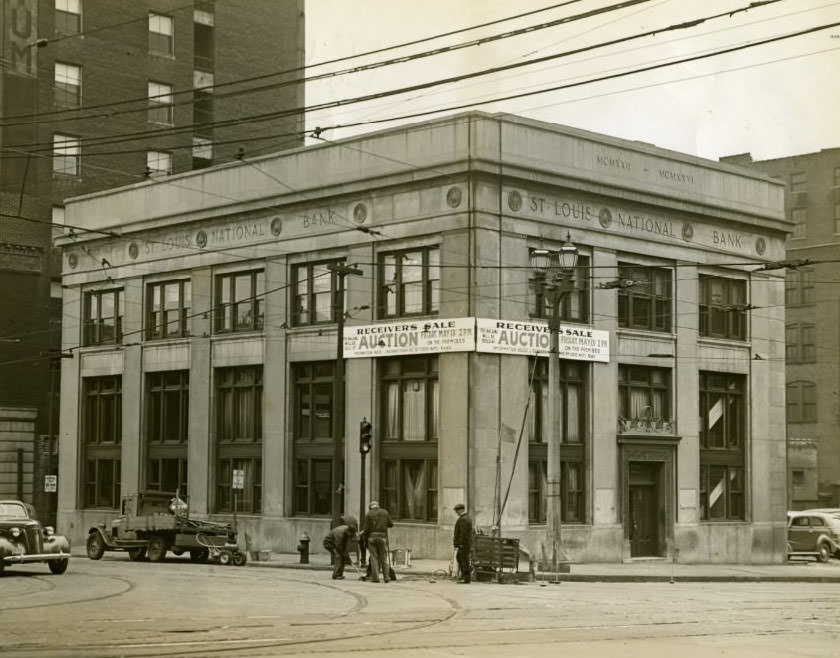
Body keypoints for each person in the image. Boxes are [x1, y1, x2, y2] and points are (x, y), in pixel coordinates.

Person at [363, 501, 393, 583]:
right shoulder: (385, 512)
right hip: (383, 537)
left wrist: (365, 540)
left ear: (370, 507)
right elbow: (390, 524)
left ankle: (375, 578)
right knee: (383, 557)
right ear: (378, 506)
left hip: (372, 537)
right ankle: (386, 577)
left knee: (374, 558)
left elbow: (366, 529)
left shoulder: (369, 514)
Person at [453, 503, 474, 584]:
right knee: (461, 558)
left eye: (457, 511)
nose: (456, 512)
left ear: (461, 510)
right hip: (466, 544)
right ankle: (465, 576)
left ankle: (466, 578)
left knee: (463, 560)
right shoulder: (466, 518)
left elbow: (463, 533)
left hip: (464, 544)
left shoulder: (463, 519)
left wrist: (460, 543)